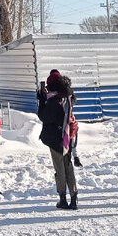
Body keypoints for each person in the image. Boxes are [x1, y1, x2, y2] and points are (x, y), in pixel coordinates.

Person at [37, 70, 77, 209]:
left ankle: (63, 199)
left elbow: (44, 116)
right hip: (68, 136)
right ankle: (74, 197)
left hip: (56, 138)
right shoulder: (68, 96)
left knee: (60, 169)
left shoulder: (54, 100)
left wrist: (42, 101)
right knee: (68, 166)